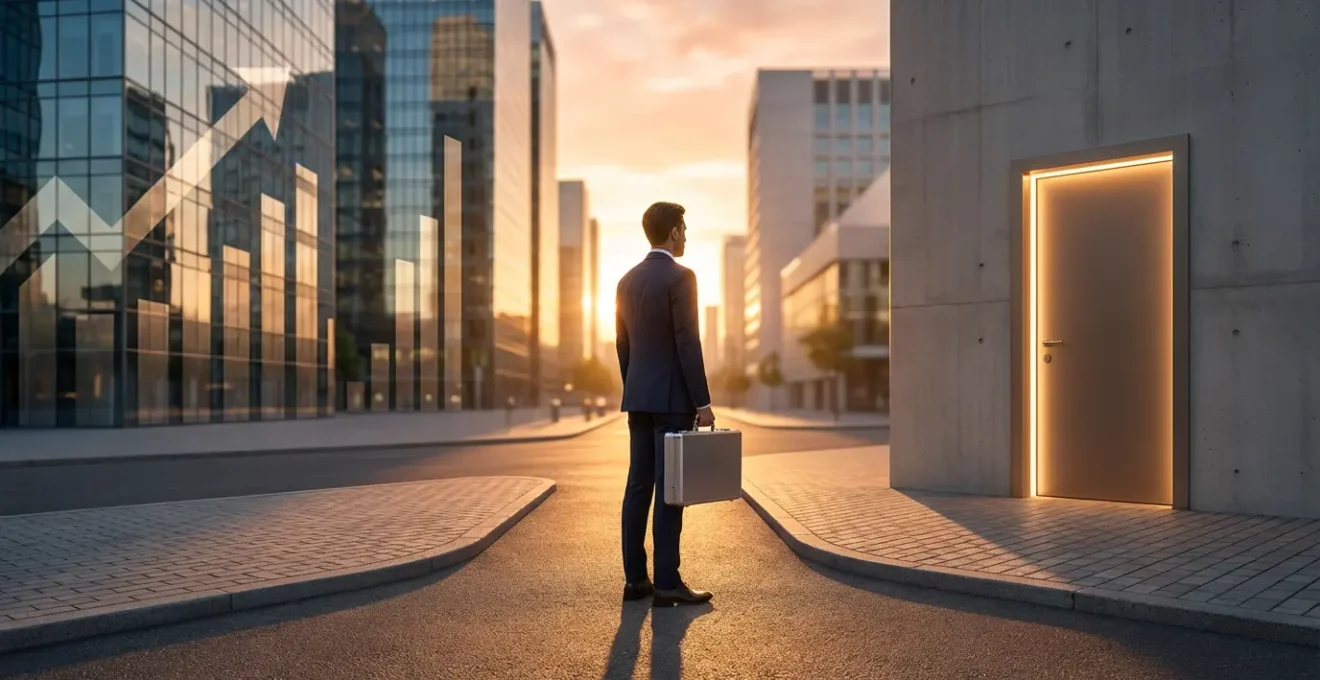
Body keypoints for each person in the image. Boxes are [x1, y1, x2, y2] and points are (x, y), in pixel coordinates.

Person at [614, 201, 715, 607]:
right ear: (673, 232)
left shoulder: (625, 281)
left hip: (638, 398)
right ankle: (668, 583)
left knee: (638, 485)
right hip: (673, 401)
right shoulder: (682, 277)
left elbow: (623, 345)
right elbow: (687, 341)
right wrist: (702, 401)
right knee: (670, 488)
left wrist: (635, 387)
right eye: (684, 229)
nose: (686, 236)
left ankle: (636, 580)